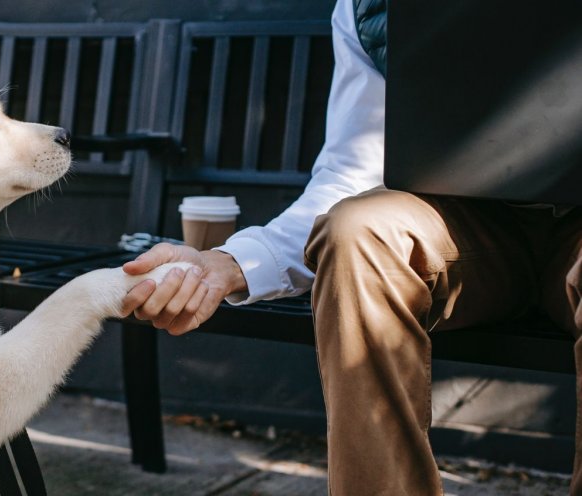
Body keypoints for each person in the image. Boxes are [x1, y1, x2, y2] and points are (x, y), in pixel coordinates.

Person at [120, 0, 582, 494]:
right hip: (468, 232)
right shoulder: (369, 7)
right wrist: (232, 262)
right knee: (357, 229)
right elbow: (351, 173)